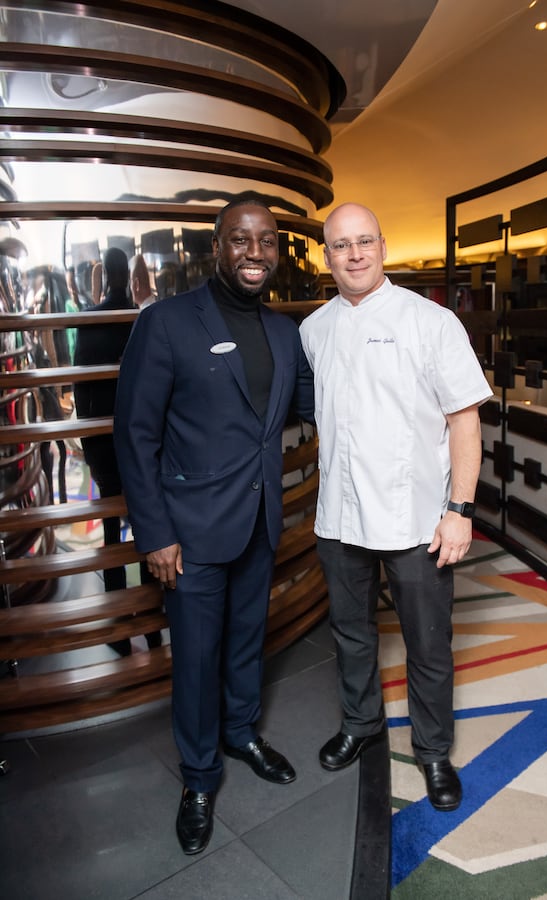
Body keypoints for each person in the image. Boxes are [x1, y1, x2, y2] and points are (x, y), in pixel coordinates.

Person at [113, 197, 314, 855]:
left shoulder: (285, 333)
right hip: (189, 533)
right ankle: (199, 777)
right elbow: (135, 435)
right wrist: (156, 535)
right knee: (195, 660)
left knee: (247, 640)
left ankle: (241, 732)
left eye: (267, 242)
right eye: (240, 240)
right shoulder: (167, 323)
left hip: (258, 521)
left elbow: (322, 403)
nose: (255, 254)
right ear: (216, 248)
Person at [299, 202, 493, 812]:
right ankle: (361, 724)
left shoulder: (431, 322)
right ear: (326, 256)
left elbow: (465, 418)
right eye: (339, 245)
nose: (353, 255)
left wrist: (459, 508)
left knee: (428, 643)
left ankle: (434, 751)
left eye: (364, 242)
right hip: (340, 516)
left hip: (416, 520)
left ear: (383, 246)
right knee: (351, 635)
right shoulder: (313, 329)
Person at [74, 247, 162, 655]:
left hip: (105, 446)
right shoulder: (140, 318)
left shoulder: (91, 321)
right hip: (140, 443)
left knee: (111, 534)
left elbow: (82, 390)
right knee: (146, 526)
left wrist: (90, 445)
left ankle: (120, 628)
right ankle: (150, 623)